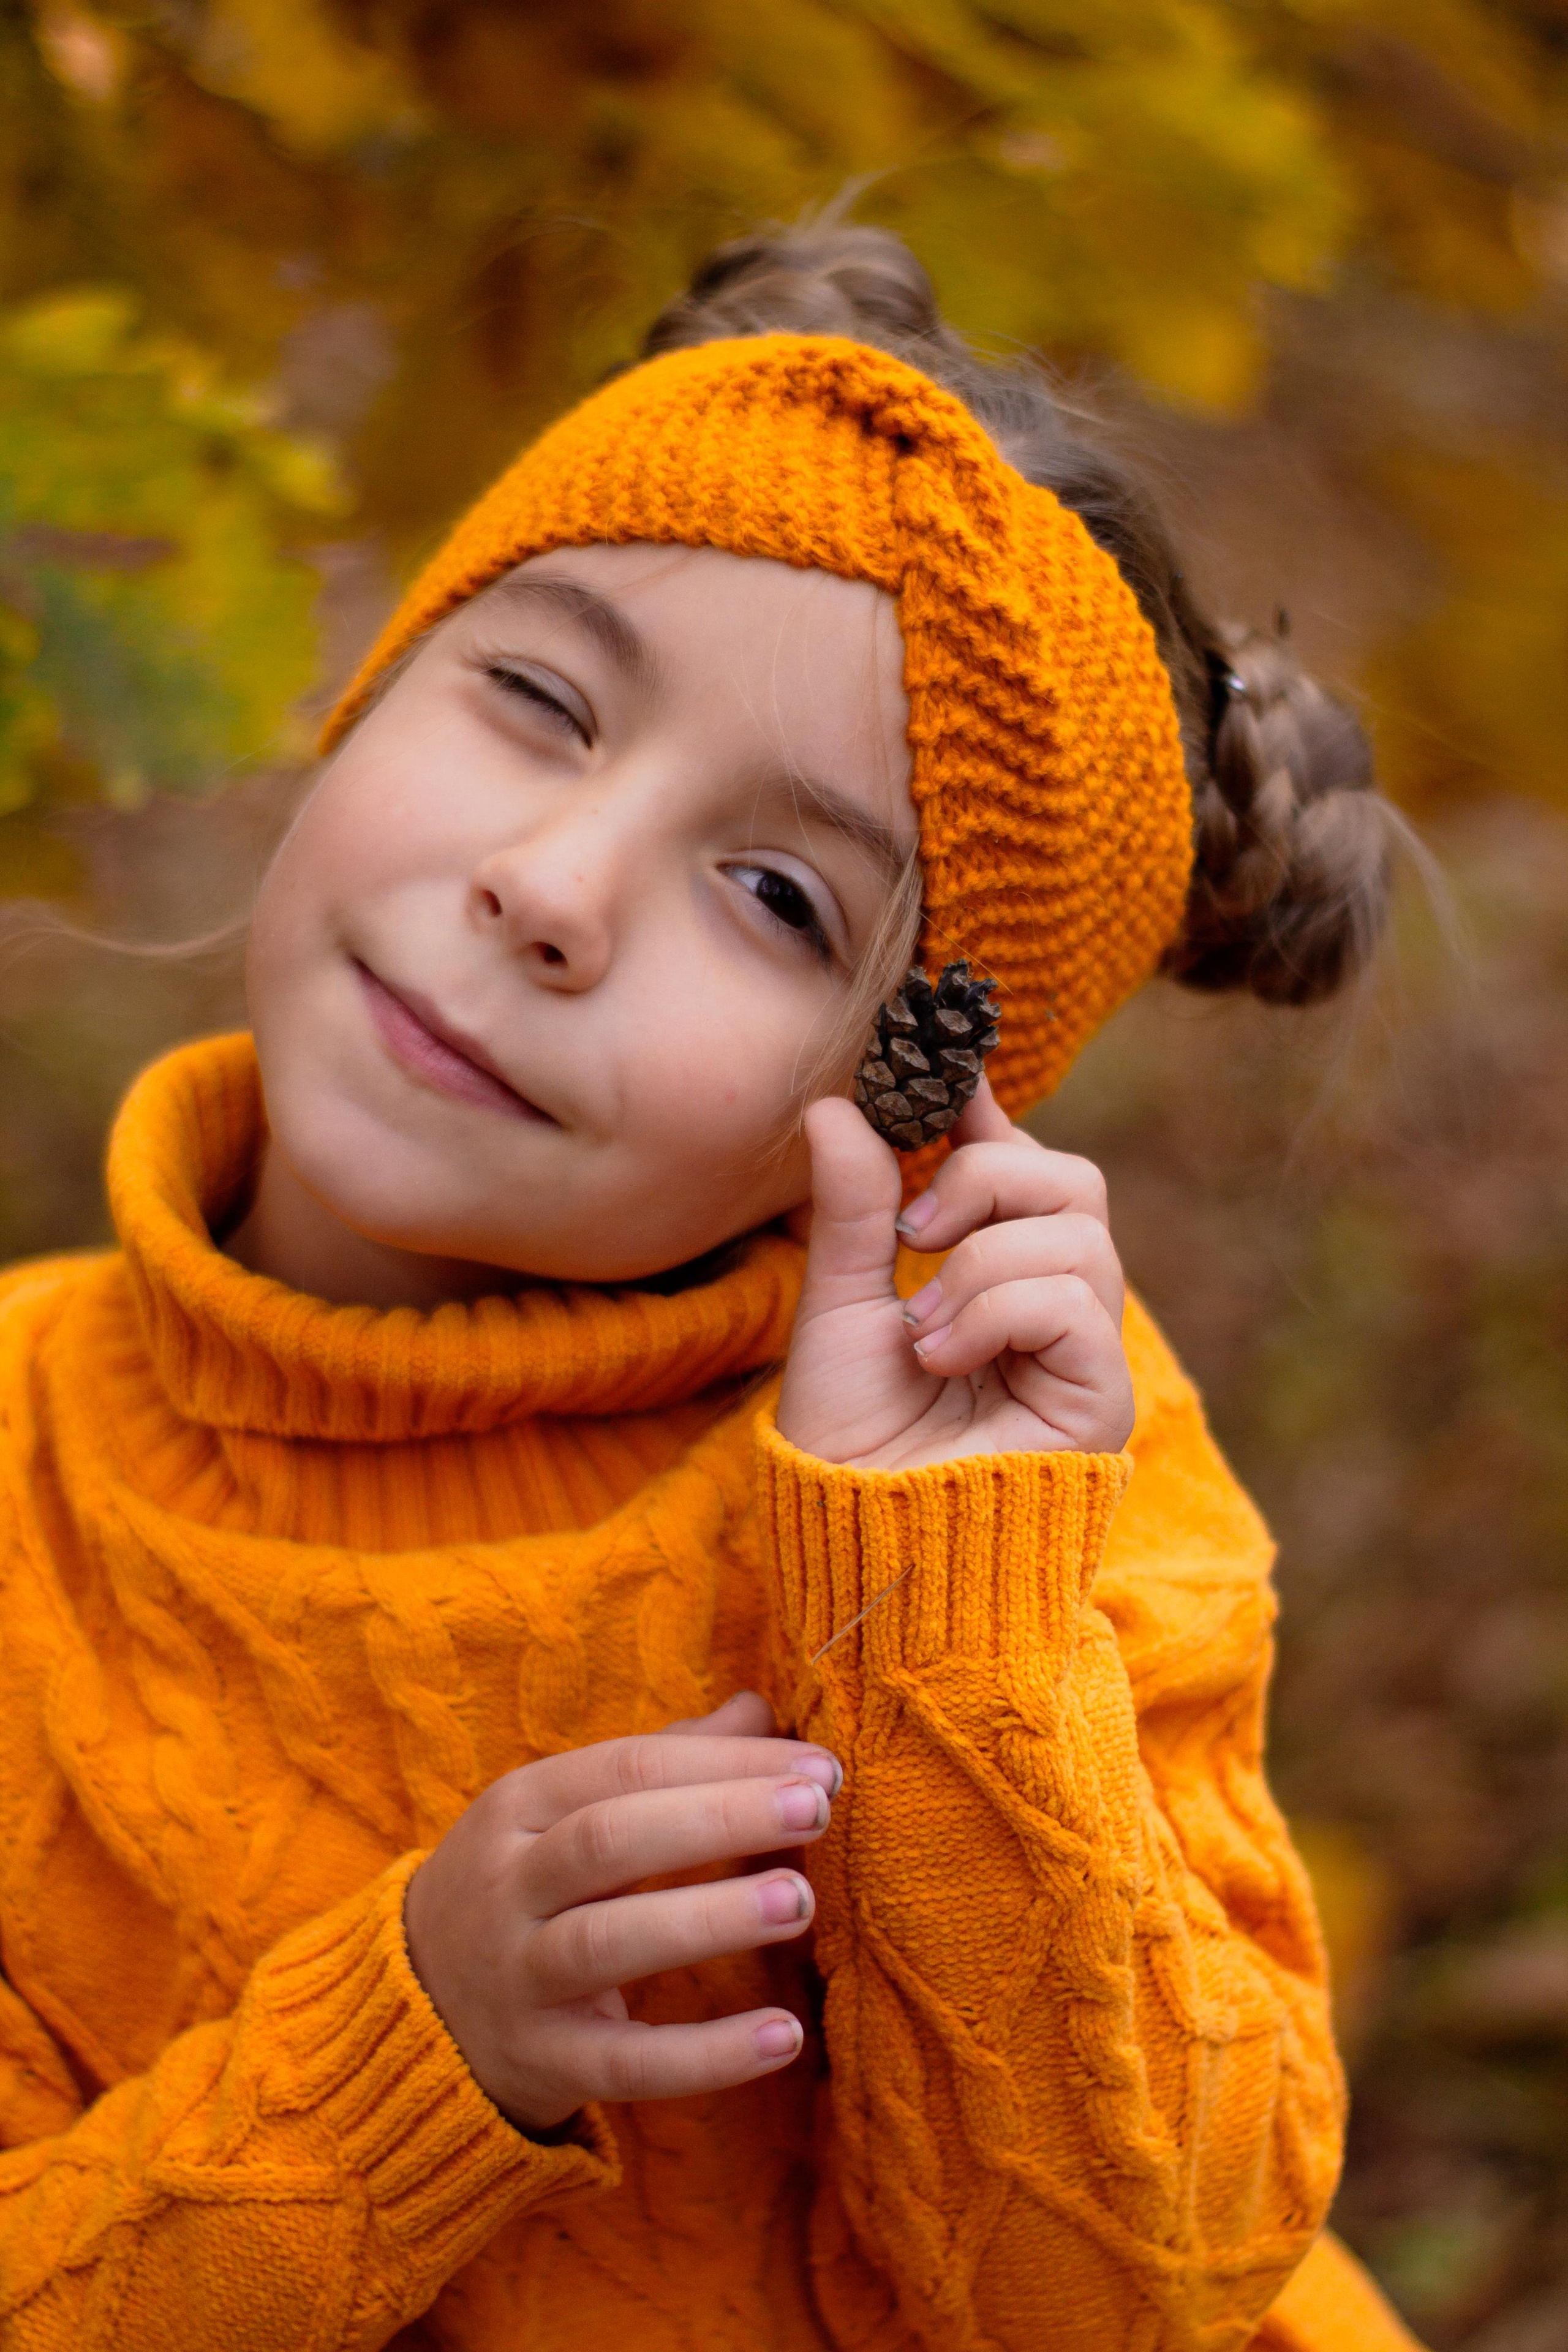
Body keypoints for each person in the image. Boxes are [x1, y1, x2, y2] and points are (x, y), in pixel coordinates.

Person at [0, 225, 1425, 2351]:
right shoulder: (29, 1464)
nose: (553, 889)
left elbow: (1137, 2297)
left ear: (909, 1097)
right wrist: (405, 2063)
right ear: (376, 680)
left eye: (776, 896)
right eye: (540, 700)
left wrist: (948, 1613)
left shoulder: (1020, 1457)